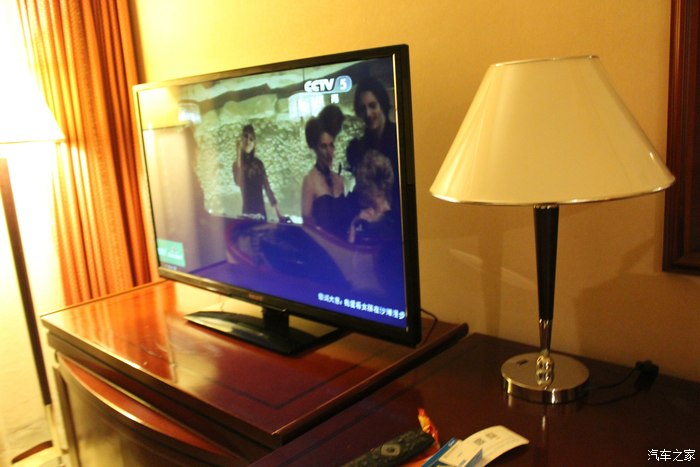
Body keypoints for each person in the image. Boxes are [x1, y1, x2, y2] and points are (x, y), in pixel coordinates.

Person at [301, 105, 346, 235]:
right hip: (321, 245)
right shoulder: (310, 181)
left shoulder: (339, 180)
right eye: (323, 146)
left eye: (331, 145)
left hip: (343, 243)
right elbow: (307, 225)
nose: (329, 152)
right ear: (315, 148)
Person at [232, 124, 283, 222]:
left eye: (251, 139)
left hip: (260, 214)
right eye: (246, 136)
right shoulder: (236, 164)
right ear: (241, 139)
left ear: (254, 144)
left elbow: (268, 189)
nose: (248, 141)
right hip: (246, 214)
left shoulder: (258, 164)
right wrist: (238, 153)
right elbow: (238, 181)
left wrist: (279, 214)